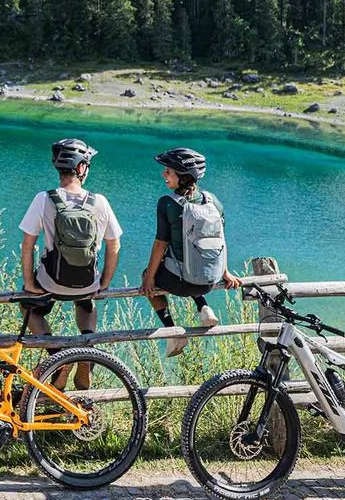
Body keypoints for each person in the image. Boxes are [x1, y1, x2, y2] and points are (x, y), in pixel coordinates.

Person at [18, 138, 123, 386]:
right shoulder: (100, 202)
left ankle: (58, 359)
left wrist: (29, 282)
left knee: (28, 306)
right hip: (88, 282)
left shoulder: (44, 199)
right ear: (81, 168)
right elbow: (114, 245)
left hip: (51, 281)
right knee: (86, 305)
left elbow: (28, 244)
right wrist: (104, 282)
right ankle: (85, 355)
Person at [141, 148, 241, 357]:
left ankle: (172, 332)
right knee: (190, 260)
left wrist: (149, 278)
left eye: (168, 171)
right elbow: (221, 239)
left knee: (147, 274)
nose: (164, 175)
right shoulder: (213, 201)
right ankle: (204, 308)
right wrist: (225, 272)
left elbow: (160, 243)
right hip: (209, 282)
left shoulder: (167, 203)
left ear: (182, 175)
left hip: (181, 283)